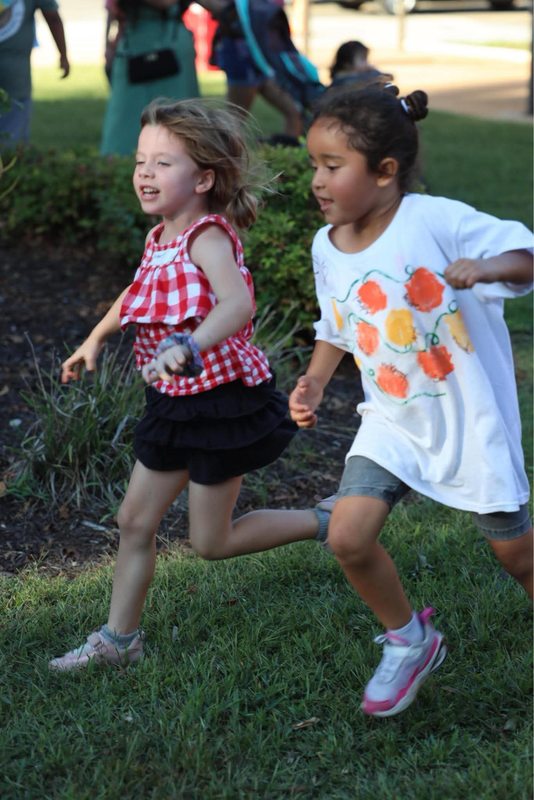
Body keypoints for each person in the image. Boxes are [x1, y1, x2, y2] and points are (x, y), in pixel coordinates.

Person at [49, 98, 330, 672]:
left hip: (219, 404)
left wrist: (188, 346)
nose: (145, 174)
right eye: (140, 161)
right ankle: (119, 641)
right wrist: (96, 337)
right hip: (173, 403)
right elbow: (137, 294)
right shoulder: (159, 238)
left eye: (163, 164)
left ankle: (331, 519)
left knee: (211, 542)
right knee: (134, 521)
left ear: (204, 177)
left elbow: (237, 303)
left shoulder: (207, 236)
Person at [289, 83, 533, 718]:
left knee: (517, 554)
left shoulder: (436, 220)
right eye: (313, 164)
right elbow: (337, 325)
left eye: (332, 167)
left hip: (467, 420)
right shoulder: (326, 244)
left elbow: (526, 255)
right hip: (393, 421)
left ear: (386, 172)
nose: (317, 180)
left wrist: (488, 269)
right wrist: (315, 379)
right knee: (347, 536)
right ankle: (409, 638)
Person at [101, 0, 200, 156]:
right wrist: (107, 44)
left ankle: (181, 155)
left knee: (178, 108)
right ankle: (123, 159)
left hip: (169, 41)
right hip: (135, 42)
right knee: (126, 112)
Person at [209, 0, 303, 143]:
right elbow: (220, 9)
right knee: (234, 121)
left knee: (294, 111)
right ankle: (224, 159)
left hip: (266, 54)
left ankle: (287, 153)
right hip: (242, 52)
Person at [0, 0, 69, 146]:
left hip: (15, 75)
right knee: (12, 137)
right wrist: (63, 55)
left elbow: (53, 18)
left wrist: (63, 54)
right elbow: (53, 18)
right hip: (16, 76)